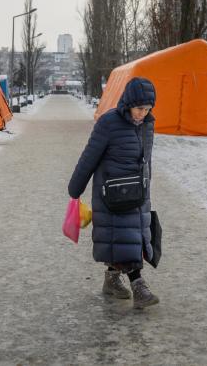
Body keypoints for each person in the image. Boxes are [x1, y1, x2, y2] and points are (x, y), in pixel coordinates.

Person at [68, 77, 159, 309]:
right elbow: (89, 157)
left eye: (147, 109)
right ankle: (139, 286)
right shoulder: (109, 123)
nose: (143, 114)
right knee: (125, 239)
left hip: (137, 195)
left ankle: (111, 280)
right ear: (128, 103)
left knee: (131, 239)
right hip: (112, 196)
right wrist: (75, 189)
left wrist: (147, 185)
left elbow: (146, 160)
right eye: (140, 108)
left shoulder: (147, 124)